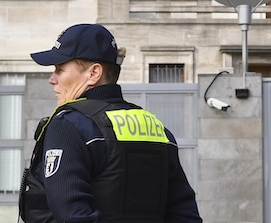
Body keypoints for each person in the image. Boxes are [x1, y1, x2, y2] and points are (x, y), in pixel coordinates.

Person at [19, 23, 202, 223]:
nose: (52, 79)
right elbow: (185, 214)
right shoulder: (156, 127)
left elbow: (72, 215)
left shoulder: (69, 124)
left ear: (93, 73)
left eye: (60, 69)